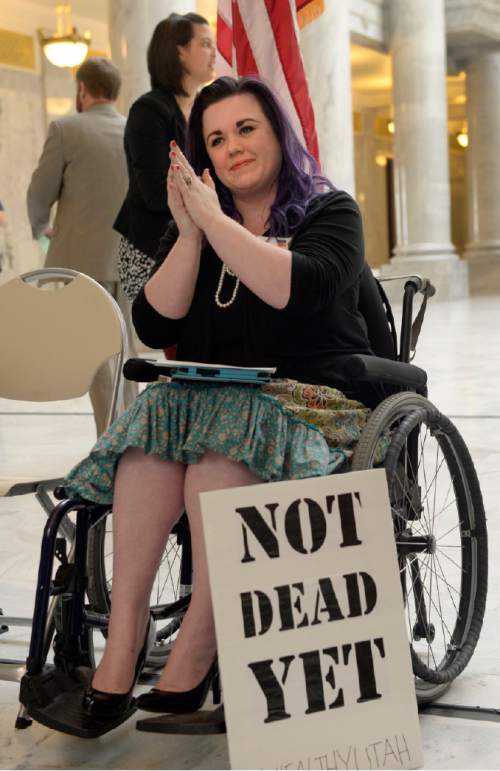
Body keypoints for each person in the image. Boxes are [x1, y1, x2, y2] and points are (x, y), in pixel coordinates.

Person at [64, 75, 385, 728]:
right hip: (219, 406)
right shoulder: (204, 224)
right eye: (215, 138)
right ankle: (122, 648)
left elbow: (303, 287)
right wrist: (190, 234)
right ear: (202, 156)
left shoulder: (331, 211)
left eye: (246, 129)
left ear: (276, 135)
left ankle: (198, 651)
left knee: (216, 448)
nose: (232, 146)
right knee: (154, 425)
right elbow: (156, 325)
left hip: (315, 405)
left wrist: (216, 223)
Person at [26, 57, 137, 436]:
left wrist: (42, 226)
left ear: (83, 90)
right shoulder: (134, 131)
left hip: (80, 263)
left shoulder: (65, 129)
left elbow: (40, 191)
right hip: (127, 260)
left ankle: (109, 442)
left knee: (95, 356)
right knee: (126, 351)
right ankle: (133, 437)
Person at [114, 12, 216, 302]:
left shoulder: (202, 110)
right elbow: (157, 193)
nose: (215, 54)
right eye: (206, 44)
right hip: (151, 248)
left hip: (195, 244)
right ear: (179, 51)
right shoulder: (148, 110)